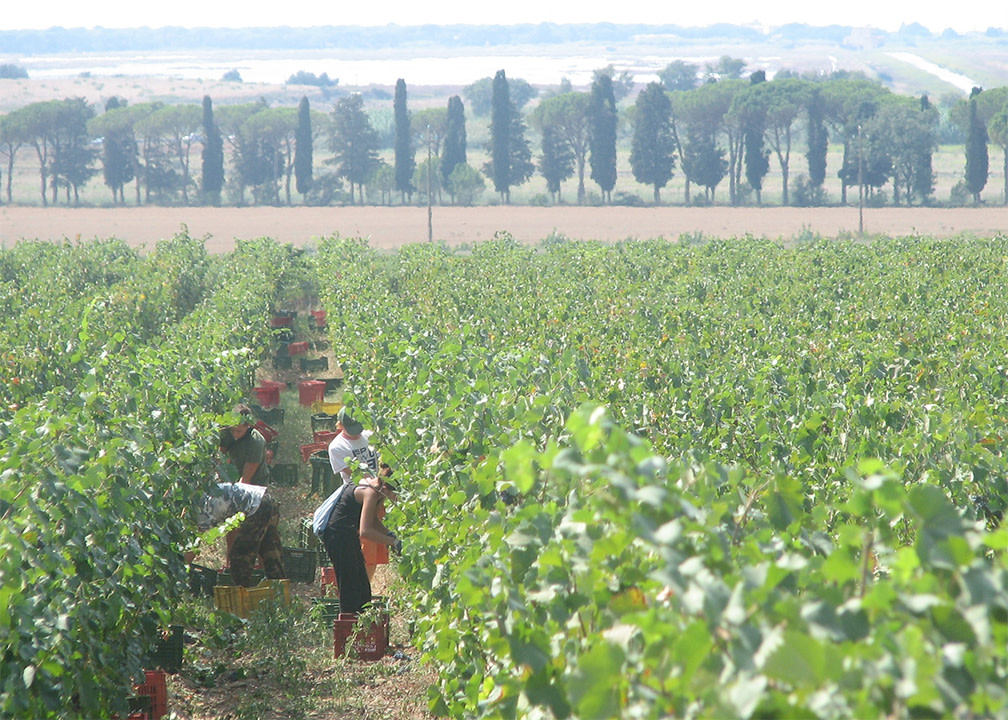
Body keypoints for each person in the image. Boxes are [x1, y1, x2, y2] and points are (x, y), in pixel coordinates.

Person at [319, 471, 400, 614]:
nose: (396, 498)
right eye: (396, 494)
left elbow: (373, 520)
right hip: (336, 535)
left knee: (363, 587)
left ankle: (362, 623)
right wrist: (392, 542)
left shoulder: (378, 491)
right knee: (350, 586)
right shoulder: (371, 492)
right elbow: (366, 531)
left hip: (348, 534)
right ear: (387, 489)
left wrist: (389, 534)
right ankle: (348, 626)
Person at [194, 478, 286, 587]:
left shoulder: (201, 509)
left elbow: (195, 545)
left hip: (256, 506)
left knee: (239, 558)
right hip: (266, 499)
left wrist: (184, 566)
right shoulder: (205, 495)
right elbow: (233, 527)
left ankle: (242, 595)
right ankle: (280, 592)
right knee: (270, 552)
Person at [220, 404, 271, 484]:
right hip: (234, 476)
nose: (235, 434)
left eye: (239, 431)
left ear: (248, 426)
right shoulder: (227, 431)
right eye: (233, 430)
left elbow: (246, 478)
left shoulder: (256, 441)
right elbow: (221, 455)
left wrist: (238, 488)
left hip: (255, 483)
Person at [327, 405, 379, 480]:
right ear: (340, 425)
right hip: (356, 487)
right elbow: (355, 474)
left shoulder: (371, 436)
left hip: (378, 482)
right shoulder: (337, 447)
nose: (355, 433)